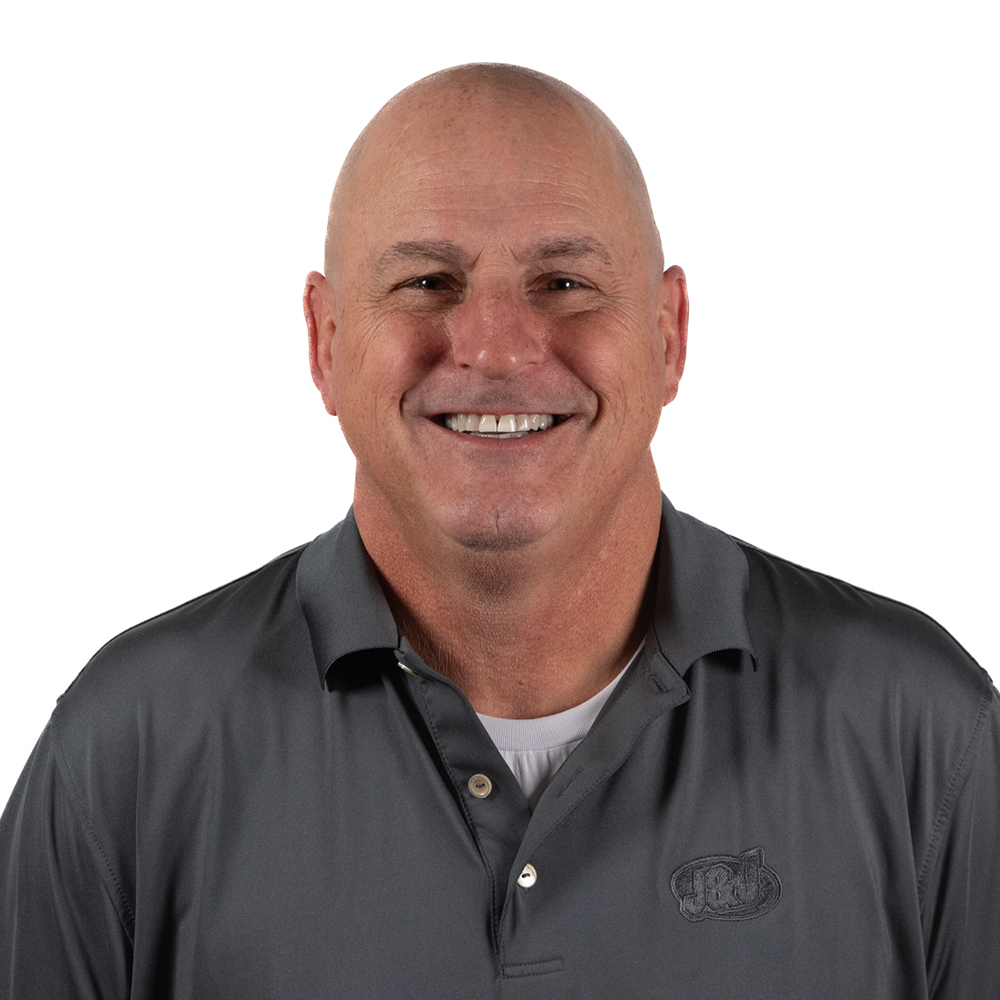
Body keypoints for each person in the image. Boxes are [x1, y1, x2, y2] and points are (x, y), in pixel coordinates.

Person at [1, 63, 997, 1000]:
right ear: (326, 341)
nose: (493, 347)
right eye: (426, 283)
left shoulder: (922, 736)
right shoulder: (128, 754)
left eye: (563, 282)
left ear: (668, 334)